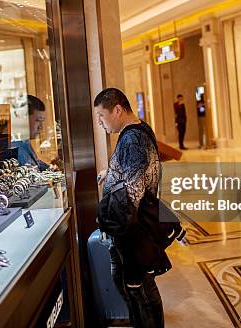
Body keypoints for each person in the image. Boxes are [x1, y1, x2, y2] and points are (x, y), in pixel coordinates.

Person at [95, 87, 168, 328]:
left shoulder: (132, 139)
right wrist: (112, 172)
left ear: (117, 110)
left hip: (133, 230)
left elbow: (133, 191)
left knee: (142, 291)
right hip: (135, 228)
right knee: (134, 286)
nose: (100, 123)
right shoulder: (139, 130)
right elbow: (137, 172)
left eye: (101, 116)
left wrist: (119, 228)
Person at [13, 95, 49, 170]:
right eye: (38, 120)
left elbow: (35, 164)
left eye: (42, 121)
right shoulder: (12, 148)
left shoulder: (24, 141)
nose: (41, 127)